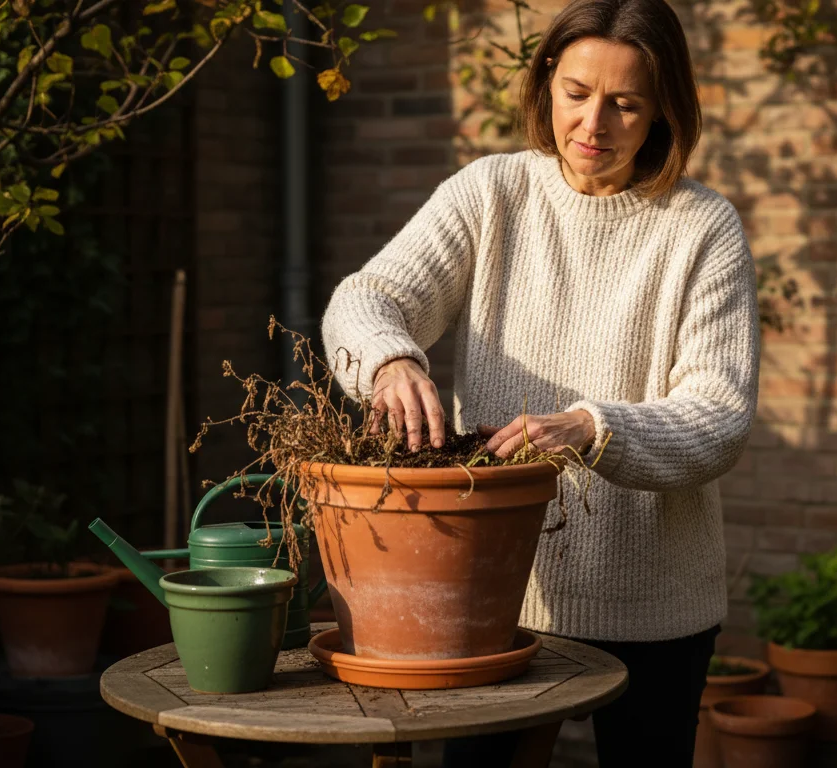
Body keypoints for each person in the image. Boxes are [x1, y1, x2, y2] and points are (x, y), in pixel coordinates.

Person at [319, 0, 760, 763]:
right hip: (497, 602)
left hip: (656, 606)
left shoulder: (702, 228)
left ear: (663, 112)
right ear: (547, 81)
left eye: (625, 104)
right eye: (577, 93)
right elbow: (365, 301)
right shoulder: (492, 195)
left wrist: (591, 427)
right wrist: (390, 359)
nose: (594, 125)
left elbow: (717, 416)